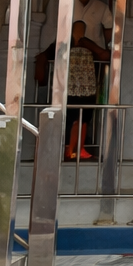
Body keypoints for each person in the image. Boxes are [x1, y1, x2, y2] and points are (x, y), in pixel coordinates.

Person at [33, 20, 108, 161]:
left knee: (84, 120)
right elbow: (44, 56)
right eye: (77, 29)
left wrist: (89, 45)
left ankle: (79, 148)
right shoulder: (63, 44)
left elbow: (103, 55)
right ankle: (68, 148)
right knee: (72, 119)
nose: (79, 33)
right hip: (69, 89)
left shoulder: (87, 43)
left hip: (87, 88)